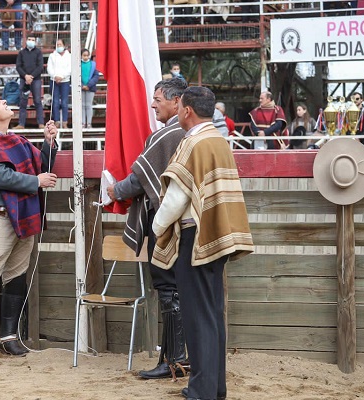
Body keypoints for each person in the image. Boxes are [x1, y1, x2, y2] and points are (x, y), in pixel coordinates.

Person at [152, 86, 253, 400]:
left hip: (195, 239)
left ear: (187, 110)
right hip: (217, 236)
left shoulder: (192, 142)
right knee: (212, 314)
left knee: (197, 317)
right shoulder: (219, 140)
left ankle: (201, 390)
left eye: (180, 104)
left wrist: (157, 226)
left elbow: (177, 197)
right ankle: (214, 387)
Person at [105, 78, 190, 381]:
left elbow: (141, 178)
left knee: (169, 289)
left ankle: (173, 360)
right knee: (177, 290)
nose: (153, 104)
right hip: (188, 224)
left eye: (157, 99)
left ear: (176, 100)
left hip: (166, 223)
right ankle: (177, 358)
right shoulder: (192, 133)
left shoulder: (170, 134)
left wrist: (116, 191)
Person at [0, 93, 58, 362]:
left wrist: (49, 142)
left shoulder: (19, 141)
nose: (4, 102)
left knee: (16, 276)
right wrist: (35, 182)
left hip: (21, 218)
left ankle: (8, 338)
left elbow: (44, 164)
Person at [14, 36, 44, 130]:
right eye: (29, 39)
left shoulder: (38, 52)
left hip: (36, 80)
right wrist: (25, 76)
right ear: (26, 41)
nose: (31, 41)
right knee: (23, 101)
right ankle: (21, 124)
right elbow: (18, 66)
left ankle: (41, 123)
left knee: (38, 101)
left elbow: (40, 67)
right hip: (24, 80)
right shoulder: (21, 53)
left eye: (33, 40)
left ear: (35, 41)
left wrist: (31, 76)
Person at [48, 39, 71, 129]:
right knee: (55, 102)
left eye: (60, 44)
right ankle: (56, 121)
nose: (59, 46)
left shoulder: (69, 56)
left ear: (64, 45)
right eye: (57, 45)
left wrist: (62, 77)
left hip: (65, 81)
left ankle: (65, 122)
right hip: (54, 80)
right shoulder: (52, 56)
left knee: (65, 102)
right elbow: (49, 68)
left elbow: (70, 68)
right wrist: (55, 76)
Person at [80, 49, 99, 129]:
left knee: (88, 105)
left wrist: (88, 85)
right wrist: (81, 85)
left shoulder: (93, 65)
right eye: (84, 55)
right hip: (80, 88)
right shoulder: (78, 64)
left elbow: (96, 76)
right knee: (82, 106)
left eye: (87, 55)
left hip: (90, 88)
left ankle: (89, 123)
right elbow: (75, 74)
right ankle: (83, 123)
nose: (85, 57)